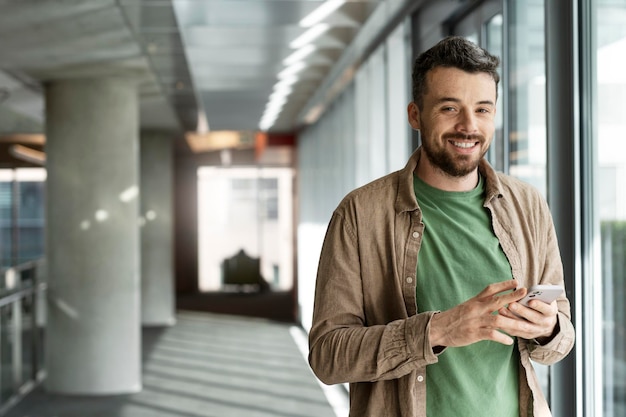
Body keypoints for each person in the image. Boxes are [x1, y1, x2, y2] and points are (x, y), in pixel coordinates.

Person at [308, 36, 575, 417]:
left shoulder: (527, 205)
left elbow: (560, 339)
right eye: (450, 108)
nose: (469, 126)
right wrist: (438, 330)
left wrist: (547, 327)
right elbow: (327, 356)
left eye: (483, 110)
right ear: (415, 115)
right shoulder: (359, 214)